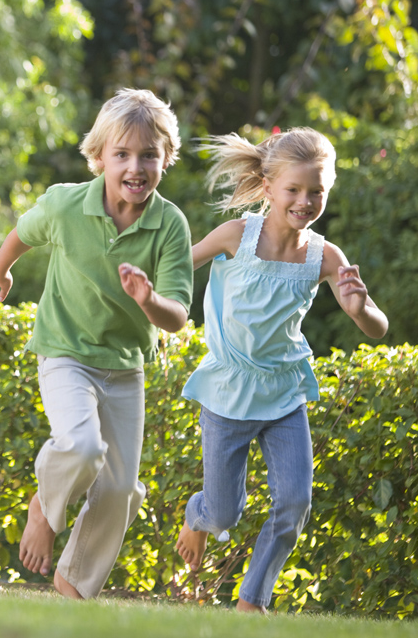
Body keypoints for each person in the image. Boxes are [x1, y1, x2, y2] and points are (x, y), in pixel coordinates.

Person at [0, 89, 193, 599]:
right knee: (81, 446)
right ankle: (45, 509)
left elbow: (178, 316)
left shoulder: (170, 226)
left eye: (149, 154)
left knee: (122, 489)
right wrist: (1, 268)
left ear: (166, 158)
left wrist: (147, 299)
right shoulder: (65, 204)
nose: (136, 166)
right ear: (99, 156)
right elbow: (22, 233)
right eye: (122, 154)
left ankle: (74, 587)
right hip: (65, 353)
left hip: (125, 367)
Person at [174, 127, 388, 613]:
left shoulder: (325, 256)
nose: (306, 200)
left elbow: (377, 326)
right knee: (226, 510)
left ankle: (253, 599)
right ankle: (199, 514)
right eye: (294, 189)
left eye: (317, 191)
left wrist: (359, 309)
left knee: (294, 503)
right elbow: (179, 267)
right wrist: (145, 292)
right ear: (268, 187)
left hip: (284, 394)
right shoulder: (236, 236)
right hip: (229, 391)